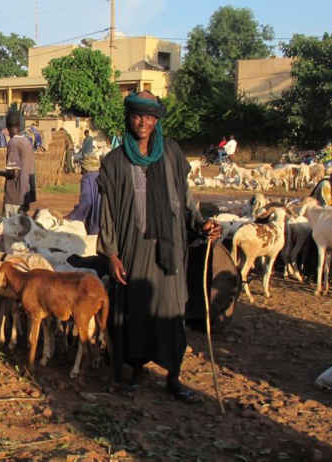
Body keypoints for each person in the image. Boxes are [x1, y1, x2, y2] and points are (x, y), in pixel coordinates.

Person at [97, 91, 221, 404]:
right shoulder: (114, 161)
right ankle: (138, 372)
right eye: (138, 115)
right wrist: (111, 253)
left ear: (156, 120)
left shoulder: (171, 152)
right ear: (129, 118)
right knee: (136, 308)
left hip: (171, 246)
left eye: (150, 117)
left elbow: (186, 196)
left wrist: (200, 222)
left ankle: (174, 376)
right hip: (133, 246)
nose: (144, 122)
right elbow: (108, 212)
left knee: (172, 309)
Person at [0, 111, 35, 217]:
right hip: (25, 197)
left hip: (14, 198)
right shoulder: (27, 143)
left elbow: (14, 173)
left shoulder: (13, 143)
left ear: (7, 127)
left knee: (7, 230)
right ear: (19, 125)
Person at [65, 153, 102, 235]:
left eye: (82, 167)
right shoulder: (103, 176)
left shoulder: (87, 178)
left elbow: (86, 201)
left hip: (96, 218)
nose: (81, 171)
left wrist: (72, 216)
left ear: (86, 168)